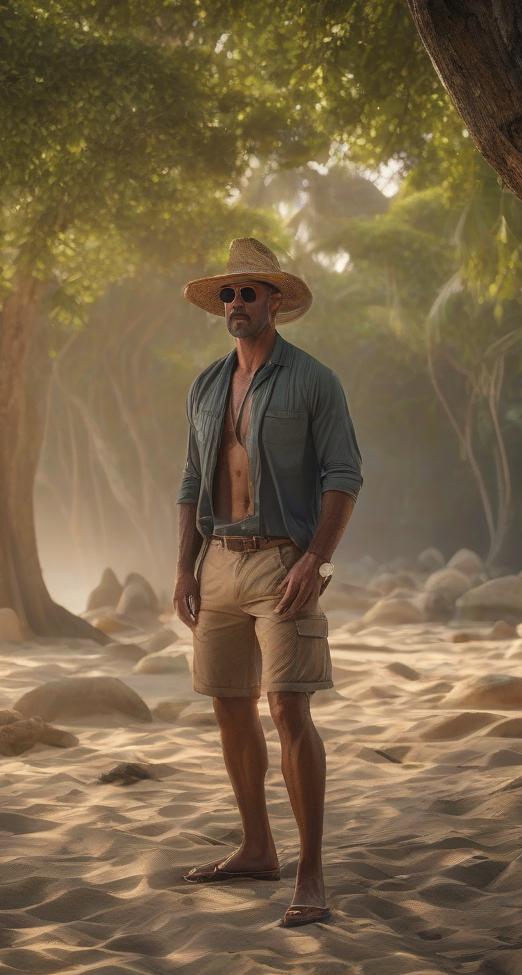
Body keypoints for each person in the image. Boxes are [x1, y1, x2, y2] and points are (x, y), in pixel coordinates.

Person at [173, 237, 363, 928]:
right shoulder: (204, 386)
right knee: (229, 704)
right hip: (218, 559)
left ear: (275, 301)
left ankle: (311, 873)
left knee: (289, 709)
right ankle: (258, 847)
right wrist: (184, 569)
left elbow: (344, 475)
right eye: (228, 294)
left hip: (285, 561)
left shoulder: (314, 381)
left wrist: (315, 559)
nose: (235, 303)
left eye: (248, 292)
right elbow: (193, 482)